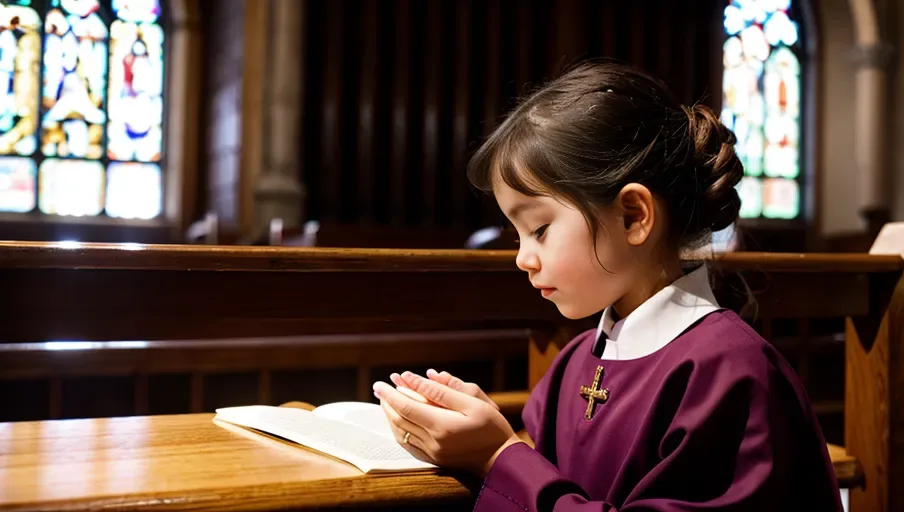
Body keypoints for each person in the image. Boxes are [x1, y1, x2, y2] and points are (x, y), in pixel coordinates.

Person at [372, 60, 842, 511]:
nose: (522, 257)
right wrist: (487, 439)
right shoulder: (574, 363)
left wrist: (498, 457)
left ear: (633, 216)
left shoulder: (729, 372)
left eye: (539, 229)